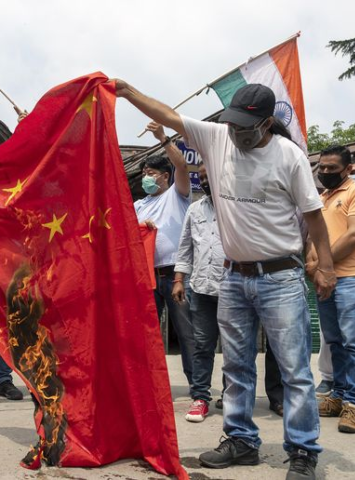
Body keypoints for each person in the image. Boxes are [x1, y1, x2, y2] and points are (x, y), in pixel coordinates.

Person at [115, 80, 335, 480]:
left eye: (246, 128)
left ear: (267, 124)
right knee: (235, 366)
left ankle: (302, 450)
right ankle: (241, 440)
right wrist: (129, 93)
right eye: (233, 125)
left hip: (281, 277)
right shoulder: (218, 138)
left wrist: (326, 264)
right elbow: (168, 115)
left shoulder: (289, 156)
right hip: (232, 278)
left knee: (294, 370)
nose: (237, 133)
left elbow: (314, 216)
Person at [173, 163, 284, 423]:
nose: (205, 182)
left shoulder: (240, 206)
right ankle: (200, 398)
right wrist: (179, 279)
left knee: (235, 347)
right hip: (201, 288)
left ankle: (230, 394)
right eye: (200, 178)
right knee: (202, 345)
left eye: (209, 176)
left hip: (235, 288)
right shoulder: (195, 209)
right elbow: (185, 247)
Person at [134, 122, 194, 386]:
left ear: (165, 176)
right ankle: (149, 385)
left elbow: (182, 166)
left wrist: (163, 138)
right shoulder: (138, 205)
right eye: (144, 173)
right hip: (147, 278)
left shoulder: (178, 195)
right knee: (145, 334)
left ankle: (197, 385)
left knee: (187, 332)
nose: (147, 177)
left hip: (176, 275)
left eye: (151, 172)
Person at [308, 144, 355, 434]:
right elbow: (314, 235)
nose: (325, 173)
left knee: (354, 343)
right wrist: (312, 262)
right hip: (325, 279)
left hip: (351, 277)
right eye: (322, 168)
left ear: (348, 168)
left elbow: (354, 234)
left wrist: (321, 265)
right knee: (335, 342)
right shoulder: (323, 197)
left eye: (331, 168)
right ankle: (338, 395)